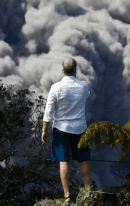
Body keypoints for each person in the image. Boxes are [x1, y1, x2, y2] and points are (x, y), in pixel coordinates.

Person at [42, 58, 92, 203]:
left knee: (64, 161)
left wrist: (44, 131)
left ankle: (67, 195)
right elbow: (86, 95)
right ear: (75, 70)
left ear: (62, 70)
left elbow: (48, 111)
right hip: (80, 128)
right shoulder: (83, 86)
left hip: (61, 129)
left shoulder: (56, 87)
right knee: (84, 159)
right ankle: (88, 190)